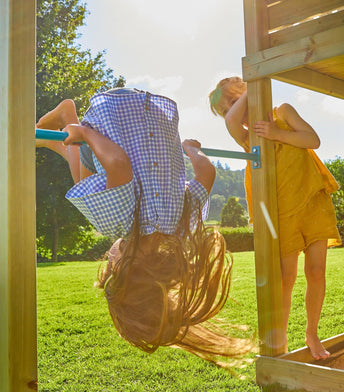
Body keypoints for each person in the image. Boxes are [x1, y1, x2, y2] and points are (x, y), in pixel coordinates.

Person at [36, 87, 254, 366]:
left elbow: (207, 173)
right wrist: (86, 134)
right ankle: (70, 119)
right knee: (95, 202)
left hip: (159, 114)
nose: (110, 265)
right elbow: (116, 162)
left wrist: (192, 151)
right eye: (115, 272)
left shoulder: (181, 224)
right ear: (133, 267)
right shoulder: (120, 222)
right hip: (114, 113)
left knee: (101, 191)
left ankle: (58, 141)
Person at [209, 77, 341, 360]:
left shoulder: (283, 112)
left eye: (233, 100)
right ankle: (279, 341)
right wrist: (249, 91)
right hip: (279, 211)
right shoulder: (247, 136)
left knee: (316, 272)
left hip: (311, 201)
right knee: (286, 277)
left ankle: (312, 333)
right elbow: (232, 121)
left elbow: (313, 140)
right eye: (225, 109)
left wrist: (276, 132)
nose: (233, 111)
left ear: (249, 91)